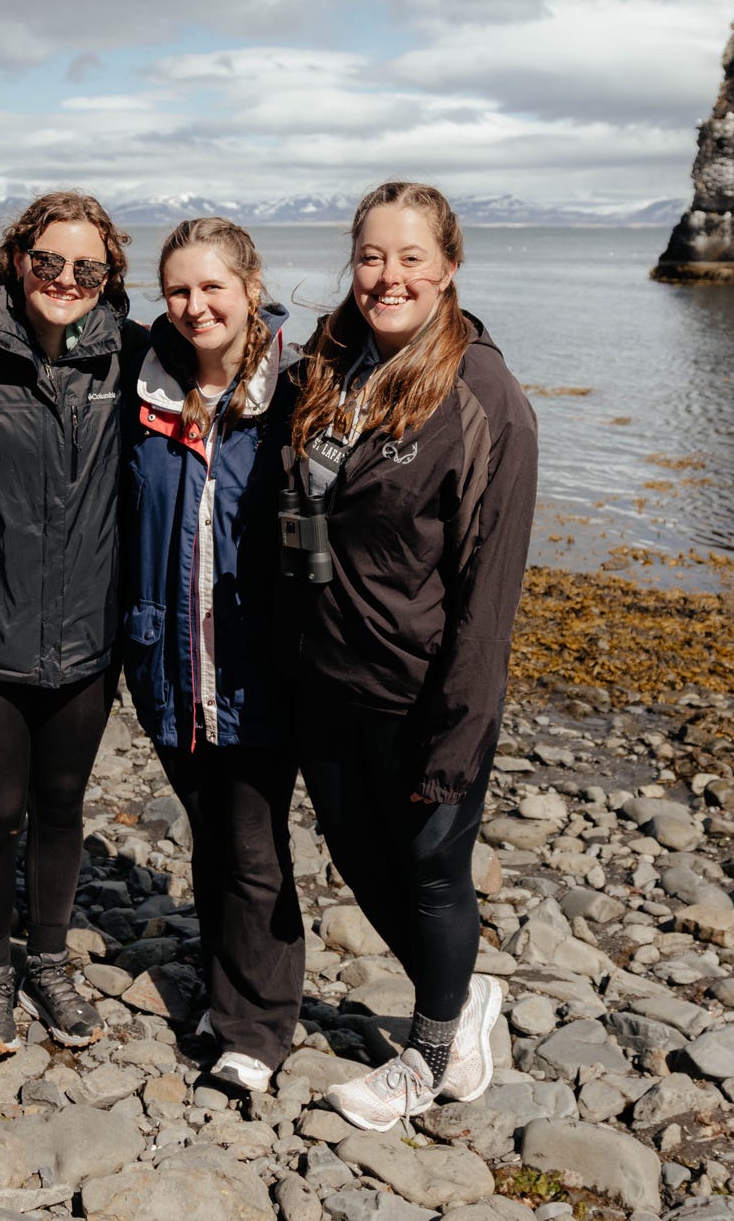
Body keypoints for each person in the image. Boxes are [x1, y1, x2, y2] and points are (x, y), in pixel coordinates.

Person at [278, 180, 538, 1130]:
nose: (388, 277)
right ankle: (463, 997)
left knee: (432, 870)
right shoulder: (327, 361)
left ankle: (433, 1057)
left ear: (449, 268)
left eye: (411, 258)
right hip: (324, 675)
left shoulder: (484, 398)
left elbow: (490, 589)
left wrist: (460, 733)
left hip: (423, 688)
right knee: (357, 854)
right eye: (373, 257)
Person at [0, 191, 140, 1060]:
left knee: (63, 807)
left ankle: (49, 963)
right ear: (17, 261)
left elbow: (234, 353)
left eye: (86, 267)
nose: (65, 279)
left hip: (88, 638)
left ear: (109, 276)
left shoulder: (132, 358)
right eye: (48, 262)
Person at [122, 216, 304, 1095]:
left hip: (257, 662)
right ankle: (229, 988)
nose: (196, 307)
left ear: (251, 286)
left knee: (254, 845)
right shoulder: (144, 387)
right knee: (211, 838)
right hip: (166, 660)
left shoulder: (304, 388)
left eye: (212, 288)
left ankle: (258, 1032)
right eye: (179, 291)